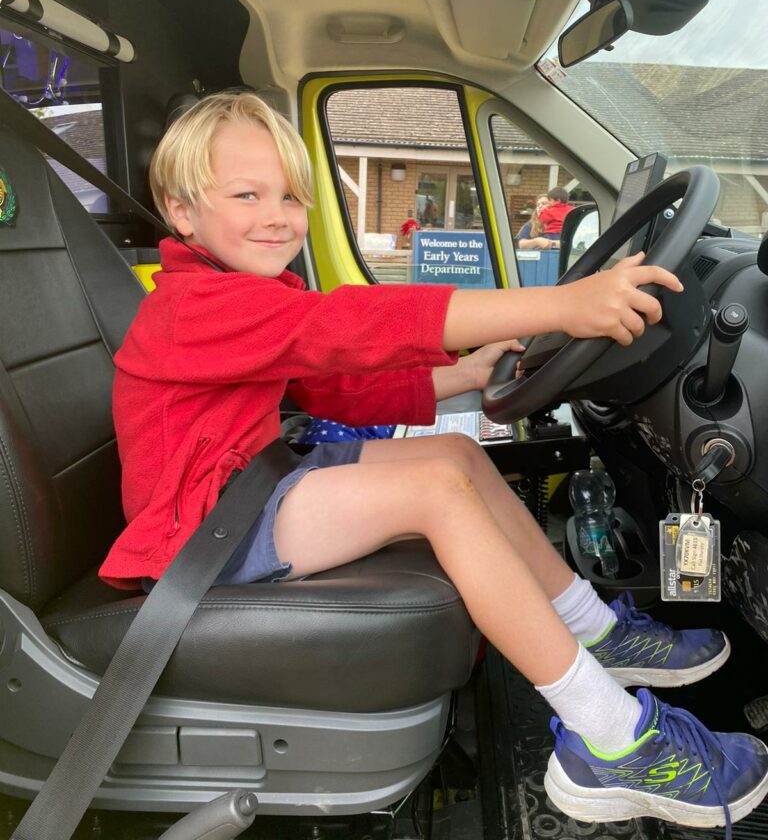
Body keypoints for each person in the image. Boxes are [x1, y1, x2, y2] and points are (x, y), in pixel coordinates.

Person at [103, 92, 768, 834]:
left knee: (453, 452)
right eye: (246, 195)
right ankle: (611, 742)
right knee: (438, 487)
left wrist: (469, 373)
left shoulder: (239, 295)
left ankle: (592, 631)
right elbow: (349, 324)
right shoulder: (194, 307)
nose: (277, 216)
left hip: (246, 483)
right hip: (199, 531)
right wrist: (559, 305)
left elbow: (334, 385)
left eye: (292, 196)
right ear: (182, 212)